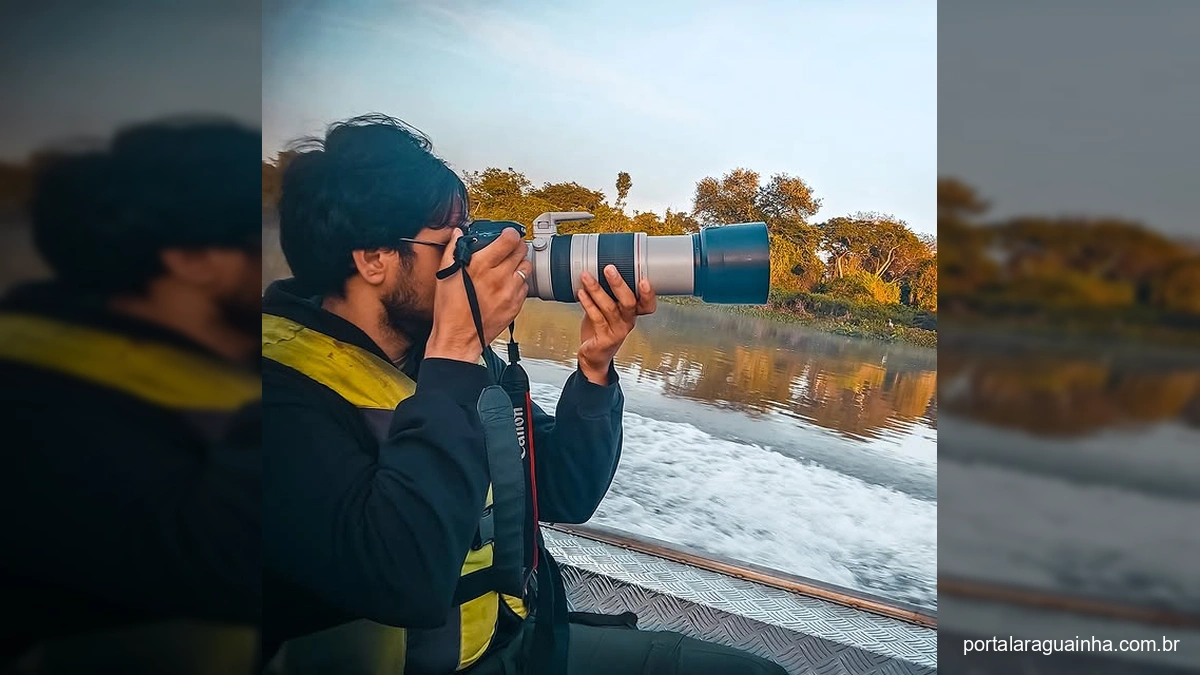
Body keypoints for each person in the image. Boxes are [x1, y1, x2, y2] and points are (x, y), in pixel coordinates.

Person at [261, 113, 787, 675]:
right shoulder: (274, 395)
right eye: (451, 242)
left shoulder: (444, 355)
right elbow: (401, 578)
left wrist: (594, 369)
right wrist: (455, 353)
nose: (471, 258)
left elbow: (564, 489)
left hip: (517, 642)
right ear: (372, 258)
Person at [0, 119, 263, 674]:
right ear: (193, 260)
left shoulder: (196, 365)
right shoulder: (40, 405)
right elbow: (234, 568)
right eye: (256, 239)